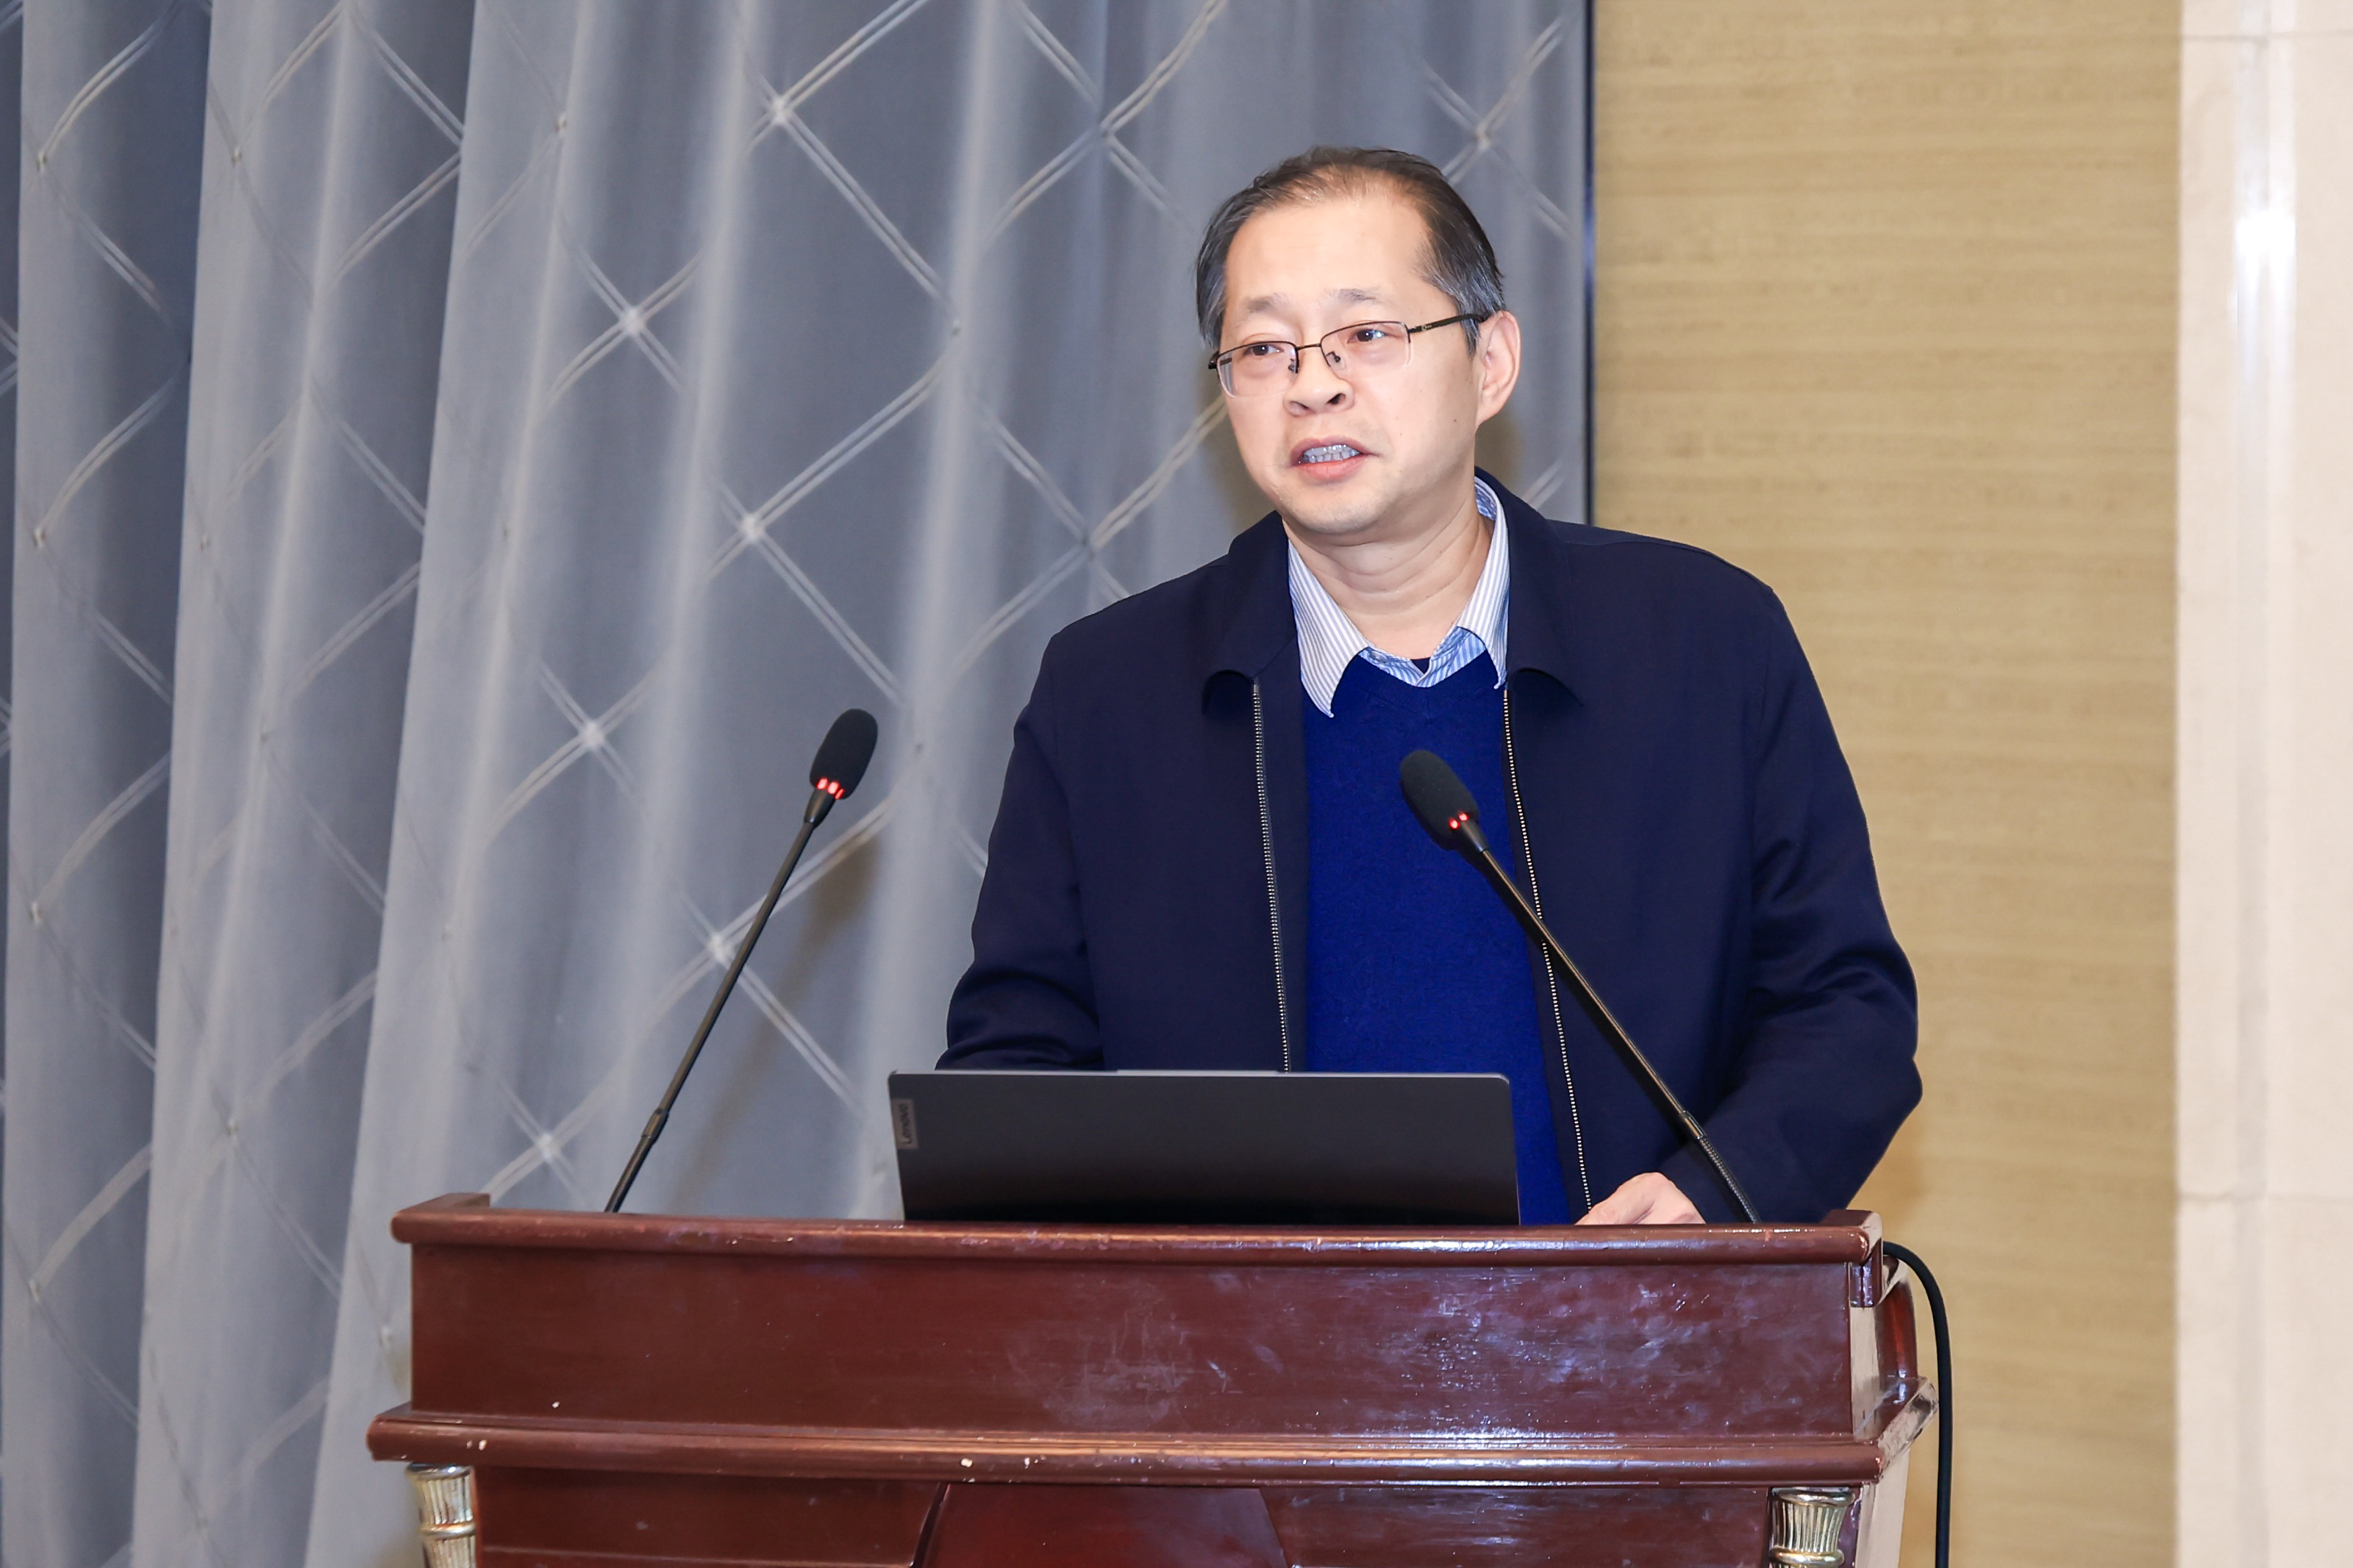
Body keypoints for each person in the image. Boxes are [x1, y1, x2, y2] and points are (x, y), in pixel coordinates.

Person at [939, 146, 1918, 1225]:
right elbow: (1014, 1070)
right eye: (1262, 349)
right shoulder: (1111, 695)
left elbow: (1846, 1013)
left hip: (1633, 1317)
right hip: (1242, 1331)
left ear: (1490, 362)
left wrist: (1709, 1197)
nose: (1313, 385)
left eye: (1366, 334)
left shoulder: (1704, 643)